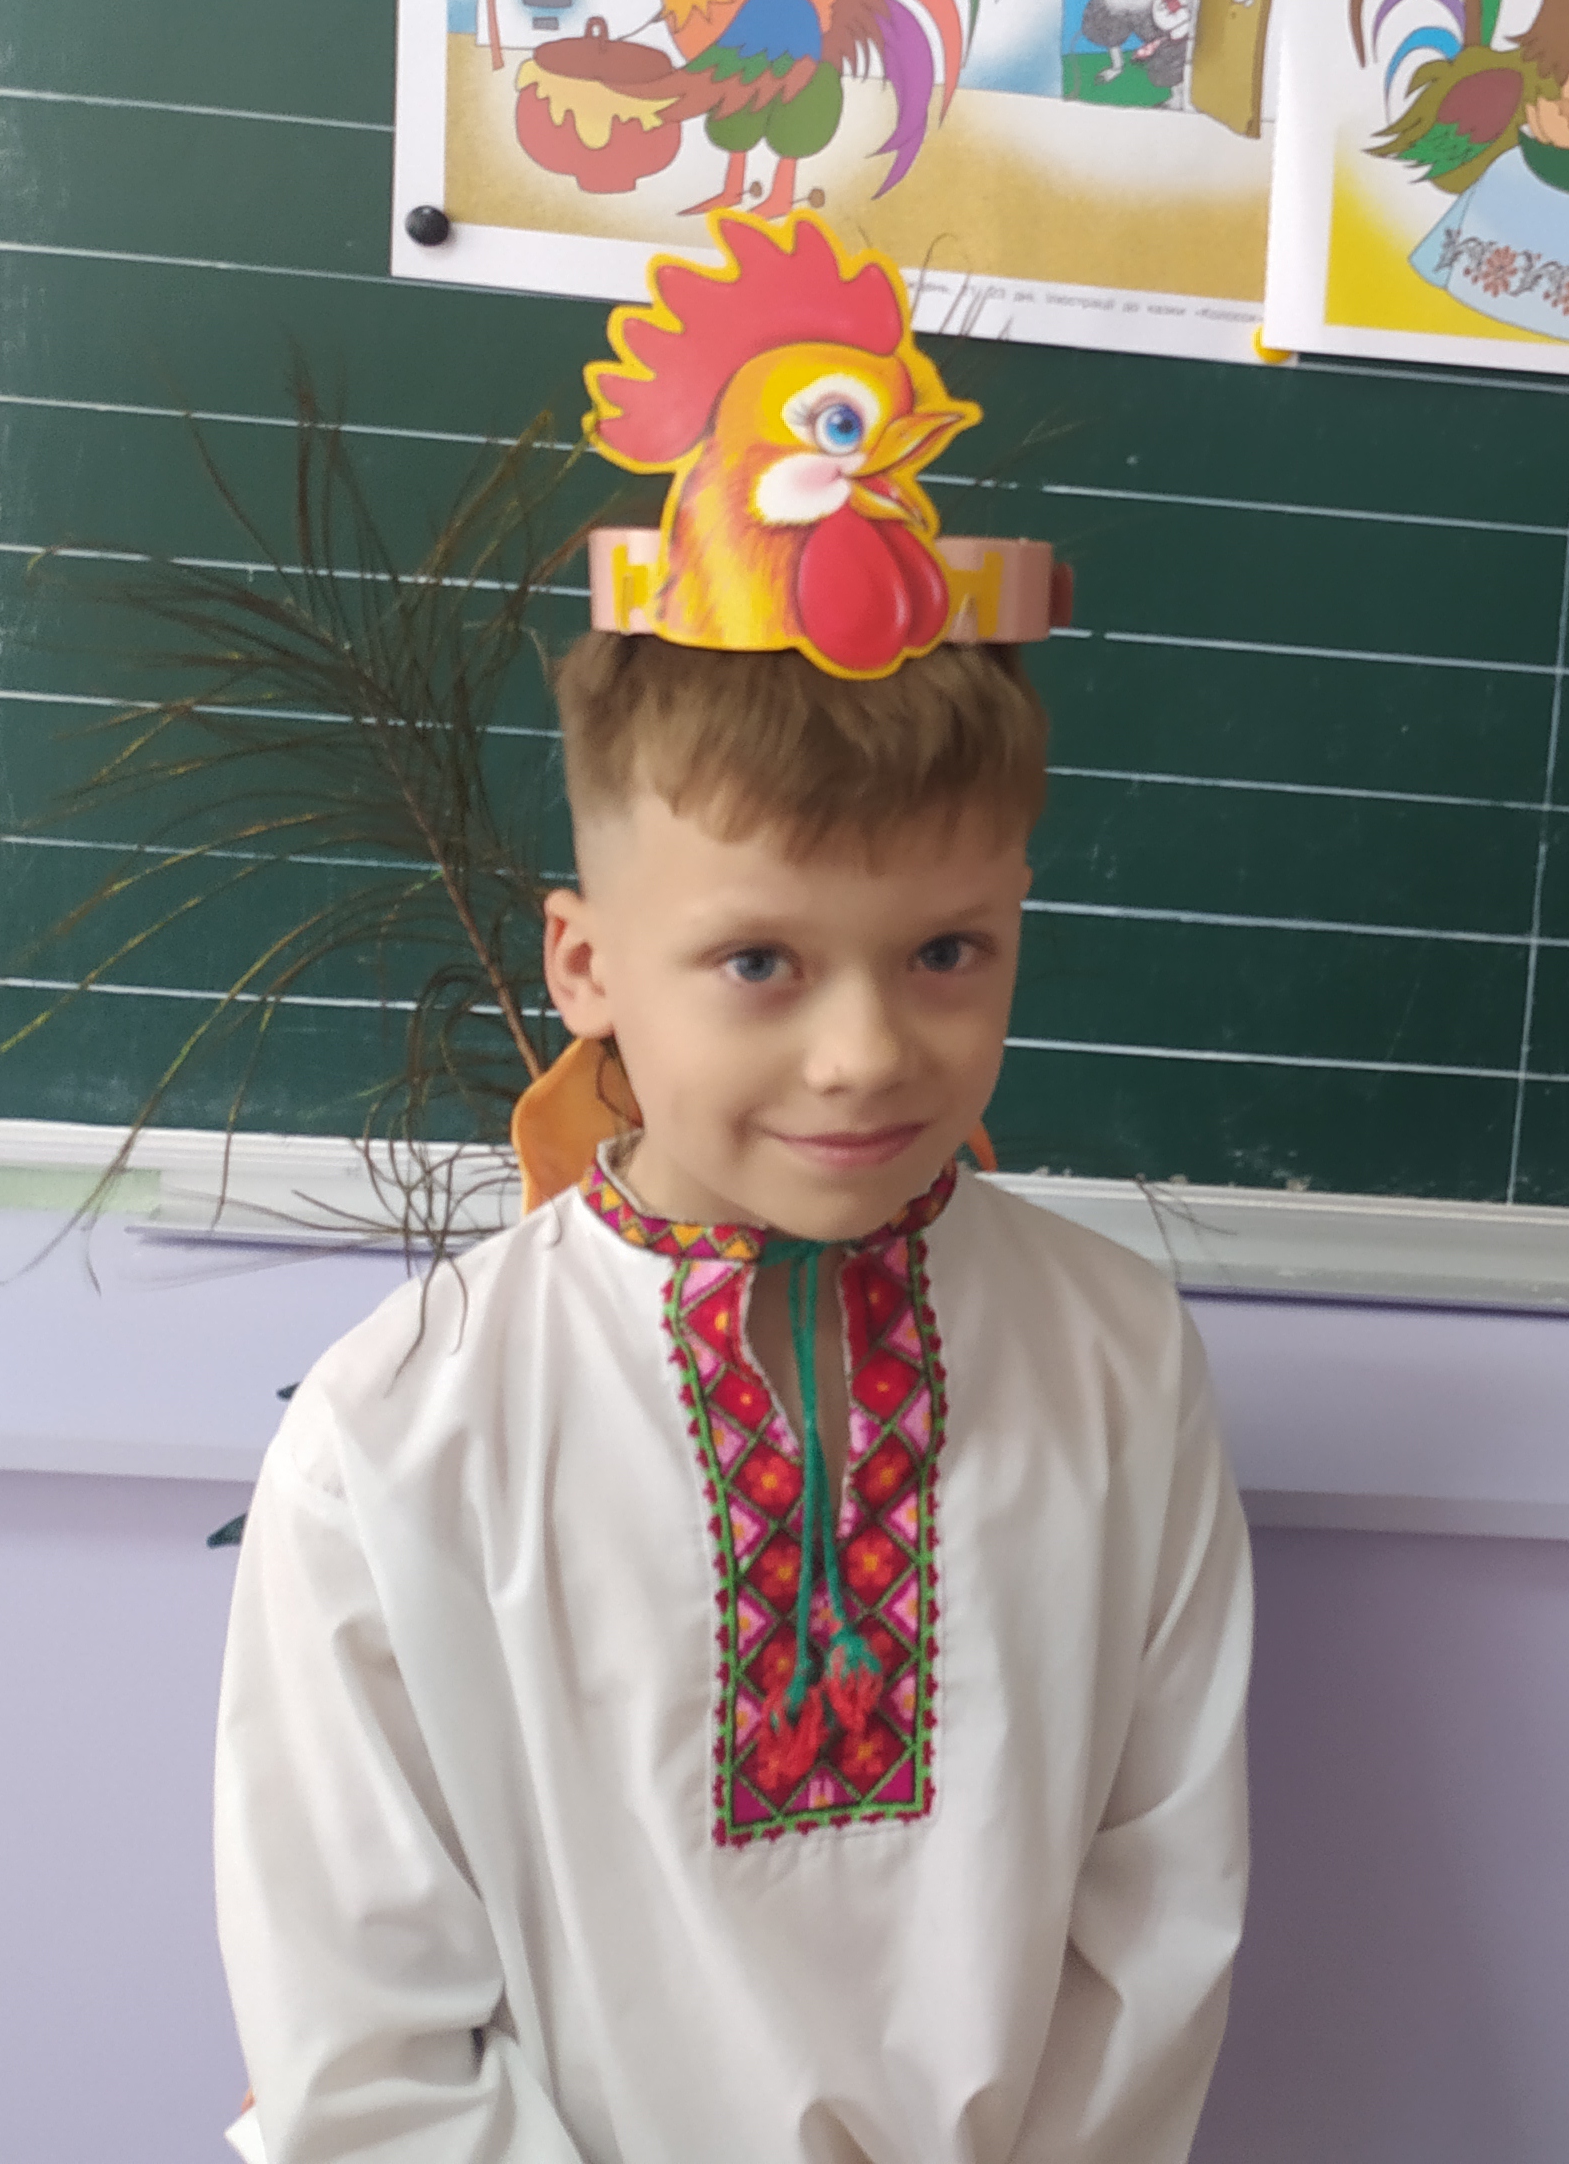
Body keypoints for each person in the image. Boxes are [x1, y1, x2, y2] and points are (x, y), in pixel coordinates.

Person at [214, 210, 1250, 2164]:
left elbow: (1158, 1910)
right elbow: (363, 2032)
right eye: (760, 960)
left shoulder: (1114, 1358)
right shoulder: (403, 1432)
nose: (864, 1052)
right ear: (587, 962)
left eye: (946, 952)